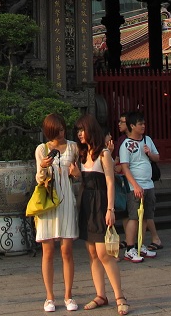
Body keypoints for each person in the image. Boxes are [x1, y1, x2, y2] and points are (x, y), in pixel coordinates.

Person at [75, 113, 130, 315]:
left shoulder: (103, 153)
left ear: (91, 130)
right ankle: (100, 295)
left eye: (82, 130)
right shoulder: (82, 153)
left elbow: (110, 182)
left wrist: (110, 209)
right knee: (92, 253)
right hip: (86, 204)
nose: (80, 134)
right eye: (78, 131)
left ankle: (120, 297)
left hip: (100, 203)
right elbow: (83, 180)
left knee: (104, 253)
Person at [35, 114, 81, 312]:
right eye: (57, 131)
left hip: (67, 200)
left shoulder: (73, 147)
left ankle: (68, 295)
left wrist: (77, 174)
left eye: (62, 129)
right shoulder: (42, 149)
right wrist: (43, 167)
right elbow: (39, 179)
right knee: (48, 251)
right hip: (48, 202)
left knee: (66, 250)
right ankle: (49, 297)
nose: (61, 133)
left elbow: (79, 173)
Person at [118, 111, 160, 262]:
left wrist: (149, 154)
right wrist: (135, 186)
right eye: (140, 124)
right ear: (132, 126)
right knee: (134, 217)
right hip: (134, 186)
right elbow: (125, 167)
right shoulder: (126, 145)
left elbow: (157, 157)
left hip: (149, 184)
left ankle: (140, 244)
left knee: (146, 217)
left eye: (143, 123)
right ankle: (130, 248)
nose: (143, 126)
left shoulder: (147, 140)